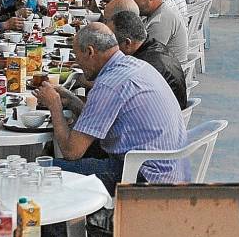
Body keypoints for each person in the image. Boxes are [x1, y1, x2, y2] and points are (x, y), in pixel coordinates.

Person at [34, 23, 192, 195]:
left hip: (143, 177)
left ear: (89, 52)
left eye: (77, 57)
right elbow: (100, 118)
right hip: (171, 170)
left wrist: (54, 106)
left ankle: (59, 220)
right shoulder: (136, 65)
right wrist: (71, 100)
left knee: (42, 171)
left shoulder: (108, 84)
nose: (77, 63)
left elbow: (72, 151)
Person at [108, 10, 187, 109]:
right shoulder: (155, 46)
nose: (108, 47)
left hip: (160, 117)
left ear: (127, 43)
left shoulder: (141, 66)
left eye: (111, 43)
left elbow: (115, 96)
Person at [129, 0, 189, 64]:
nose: (131, 0)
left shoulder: (160, 21)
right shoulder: (156, 11)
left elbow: (147, 57)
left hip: (166, 73)